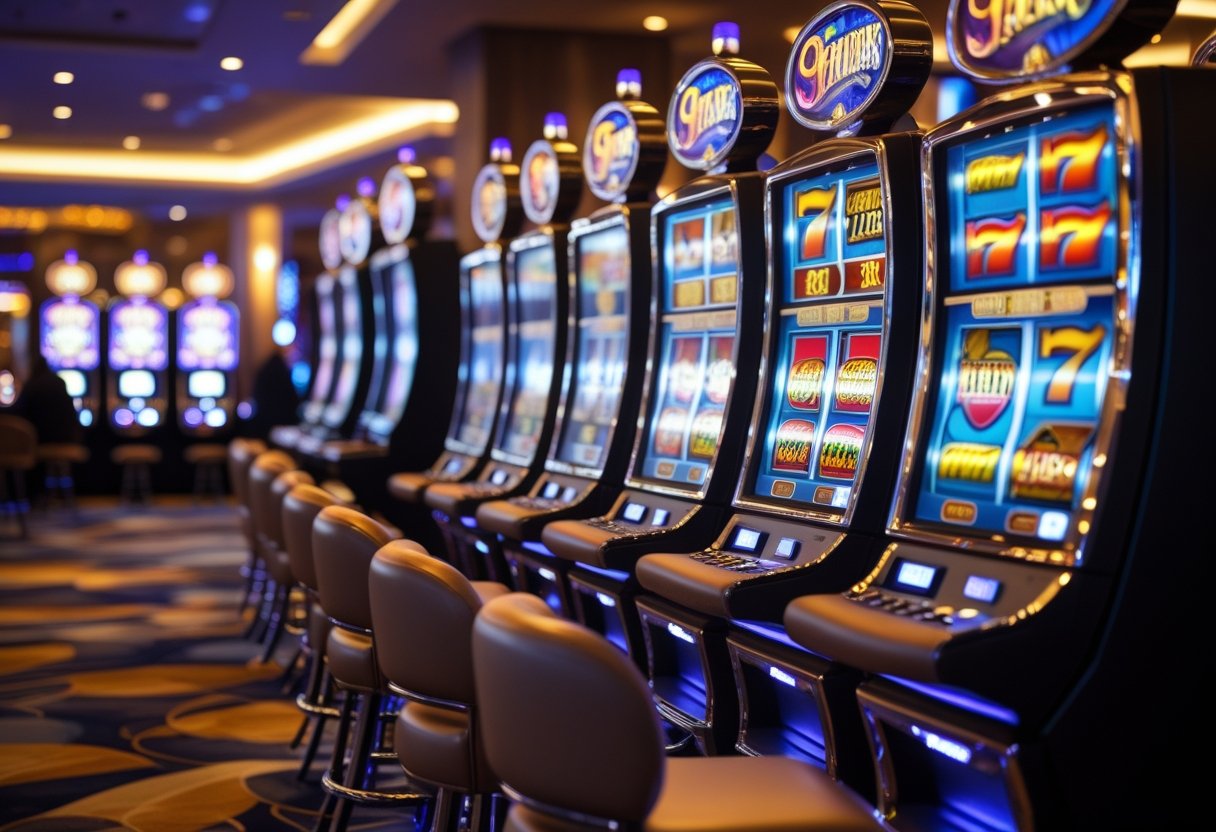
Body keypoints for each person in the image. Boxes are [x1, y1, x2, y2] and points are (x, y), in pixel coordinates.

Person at [12, 355, 81, 445]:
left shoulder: (31, 385)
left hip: (39, 439)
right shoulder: (59, 382)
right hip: (64, 438)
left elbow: (21, 411)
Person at [243, 344, 302, 440]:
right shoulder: (279, 369)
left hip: (263, 424)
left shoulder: (269, 365)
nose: (294, 356)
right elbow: (291, 400)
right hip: (273, 426)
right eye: (293, 352)